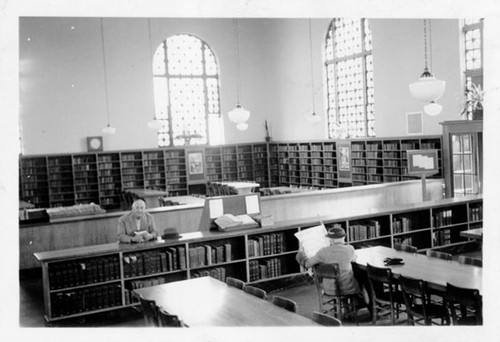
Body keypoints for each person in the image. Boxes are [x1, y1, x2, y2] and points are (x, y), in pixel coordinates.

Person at [296, 226, 361, 297]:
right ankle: (356, 304)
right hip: (349, 289)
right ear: (343, 238)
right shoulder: (350, 249)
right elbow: (354, 259)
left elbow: (307, 264)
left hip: (330, 290)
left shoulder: (323, 251)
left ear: (330, 240)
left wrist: (300, 252)